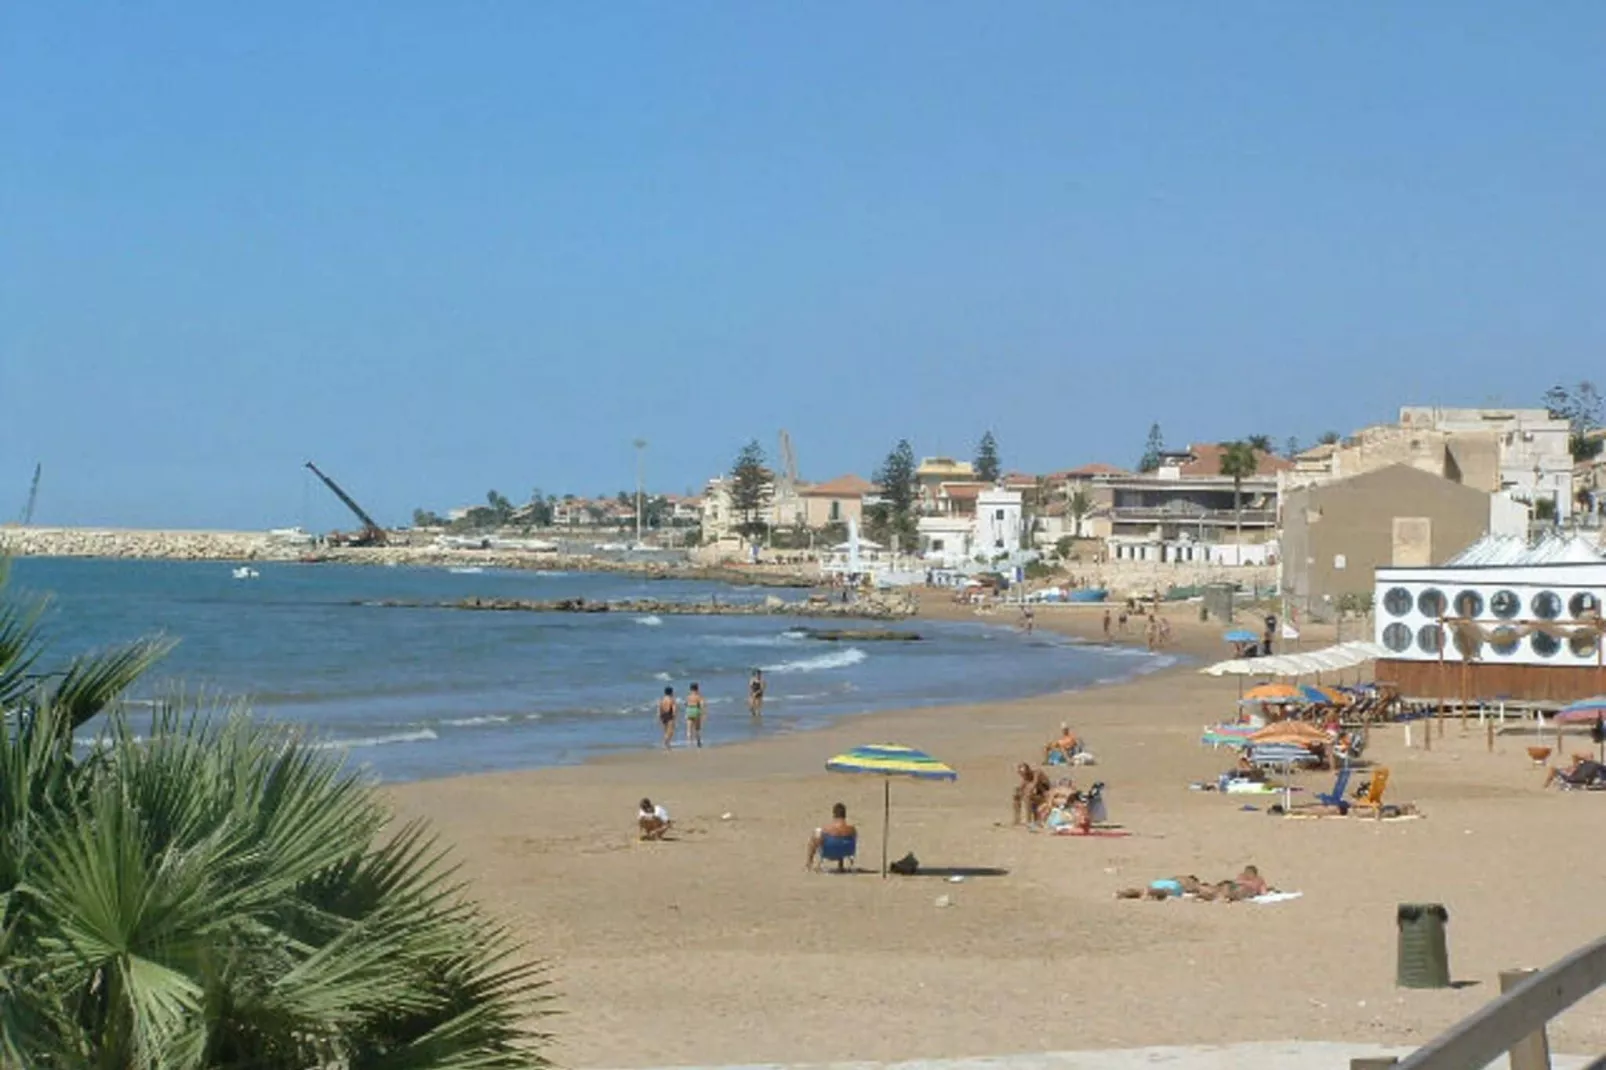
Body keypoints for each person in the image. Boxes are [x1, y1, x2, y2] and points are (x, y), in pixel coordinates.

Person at [805, 802, 857, 869]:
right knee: (842, 840)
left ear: (834, 814)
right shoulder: (852, 829)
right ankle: (840, 864)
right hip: (846, 852)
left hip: (829, 852)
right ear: (845, 815)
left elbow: (819, 839)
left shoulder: (827, 829)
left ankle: (809, 862)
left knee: (816, 834)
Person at [684, 682, 706, 748]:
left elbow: (686, 704)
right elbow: (702, 705)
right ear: (697, 689)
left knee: (689, 729)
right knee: (697, 729)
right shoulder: (699, 696)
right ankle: (698, 742)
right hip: (696, 710)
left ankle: (689, 743)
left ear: (690, 689)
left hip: (689, 710)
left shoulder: (688, 696)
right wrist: (703, 713)